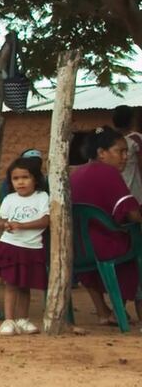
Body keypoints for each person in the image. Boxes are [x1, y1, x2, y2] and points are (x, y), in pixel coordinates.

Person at [69, 126, 142, 326]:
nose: (125, 156)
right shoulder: (109, 173)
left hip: (79, 248)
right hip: (106, 246)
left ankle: (103, 311)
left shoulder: (76, 173)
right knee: (137, 247)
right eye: (120, 151)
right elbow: (133, 215)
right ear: (102, 153)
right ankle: (127, 309)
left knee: (92, 267)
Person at [0, 156, 50, 336]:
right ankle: (8, 320)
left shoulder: (42, 197)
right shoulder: (9, 199)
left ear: (35, 179)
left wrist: (22, 225)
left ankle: (23, 319)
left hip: (31, 248)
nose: (20, 182)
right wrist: (5, 225)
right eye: (16, 179)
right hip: (10, 246)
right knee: (11, 285)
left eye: (25, 177)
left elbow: (45, 220)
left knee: (25, 285)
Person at [112, 105, 142, 202]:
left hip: (116, 193)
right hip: (135, 192)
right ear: (131, 120)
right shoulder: (136, 139)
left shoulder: (108, 140)